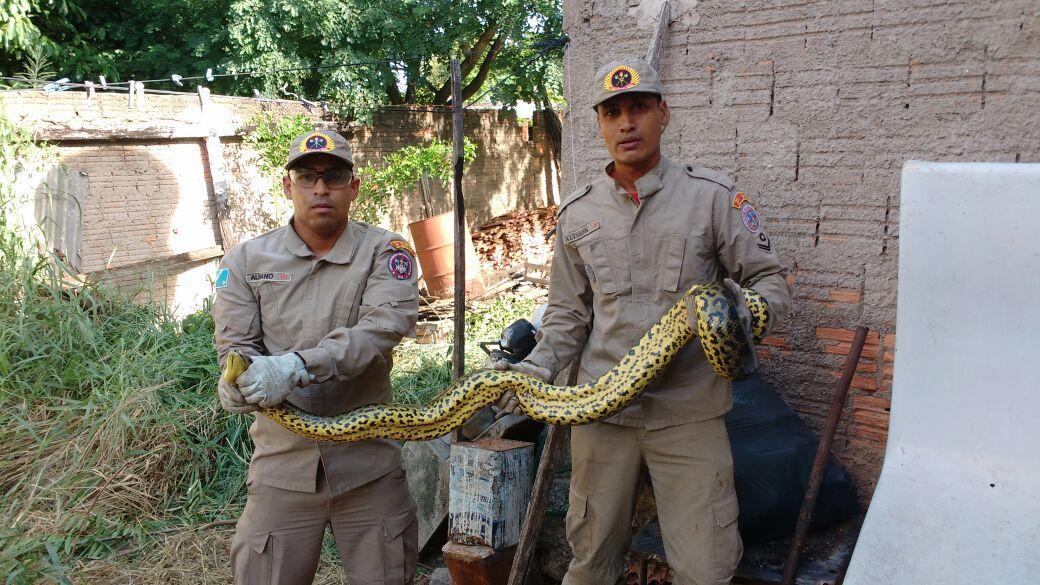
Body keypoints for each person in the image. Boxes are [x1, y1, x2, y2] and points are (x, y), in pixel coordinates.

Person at [494, 58, 793, 584]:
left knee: (705, 569)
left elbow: (771, 283)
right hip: (601, 415)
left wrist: (734, 317)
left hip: (689, 413)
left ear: (663, 115)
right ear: (600, 124)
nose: (626, 123)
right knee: (590, 563)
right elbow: (566, 315)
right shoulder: (579, 214)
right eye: (613, 113)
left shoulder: (713, 199)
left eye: (639, 108)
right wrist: (535, 369)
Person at [213, 128, 420, 584]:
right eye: (307, 177)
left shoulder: (387, 251)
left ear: (354, 187)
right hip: (281, 467)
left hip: (368, 466)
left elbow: (381, 330)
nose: (321, 188)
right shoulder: (245, 260)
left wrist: (297, 366)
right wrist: (235, 380)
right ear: (288, 186)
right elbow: (236, 345)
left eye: (334, 177)